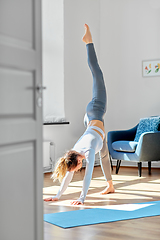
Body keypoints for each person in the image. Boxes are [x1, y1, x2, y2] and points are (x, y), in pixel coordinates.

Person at [44, 24, 115, 205]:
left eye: (75, 169)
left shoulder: (88, 151)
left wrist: (82, 198)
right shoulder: (74, 151)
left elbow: (89, 174)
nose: (76, 171)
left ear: (76, 161)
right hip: (90, 121)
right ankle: (110, 185)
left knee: (97, 72)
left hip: (96, 109)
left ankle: (88, 42)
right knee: (105, 154)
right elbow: (68, 175)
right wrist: (57, 195)